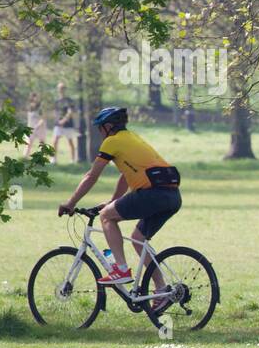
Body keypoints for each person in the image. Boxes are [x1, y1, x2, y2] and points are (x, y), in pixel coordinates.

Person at [58, 107, 181, 290]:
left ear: (108, 126)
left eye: (100, 128)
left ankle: (121, 270)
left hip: (152, 194)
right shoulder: (132, 138)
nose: (99, 133)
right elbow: (125, 176)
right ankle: (162, 291)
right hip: (172, 197)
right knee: (138, 239)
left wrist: (71, 203)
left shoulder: (112, 142)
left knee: (106, 216)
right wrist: (113, 201)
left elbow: (92, 176)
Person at [52, 82, 77, 162]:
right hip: (58, 124)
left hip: (68, 124)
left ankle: (72, 159)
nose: (61, 90)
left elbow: (70, 112)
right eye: (59, 88)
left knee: (70, 141)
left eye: (62, 88)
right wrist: (58, 121)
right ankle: (54, 159)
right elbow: (56, 112)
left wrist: (64, 120)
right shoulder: (56, 101)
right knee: (55, 141)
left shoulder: (69, 101)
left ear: (65, 89)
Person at [24, 92, 47, 156]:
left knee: (42, 143)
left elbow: (43, 118)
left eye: (36, 97)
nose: (35, 98)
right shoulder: (29, 107)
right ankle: (25, 157)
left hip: (40, 128)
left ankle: (42, 158)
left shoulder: (40, 107)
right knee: (28, 143)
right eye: (33, 97)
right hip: (31, 129)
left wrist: (37, 126)